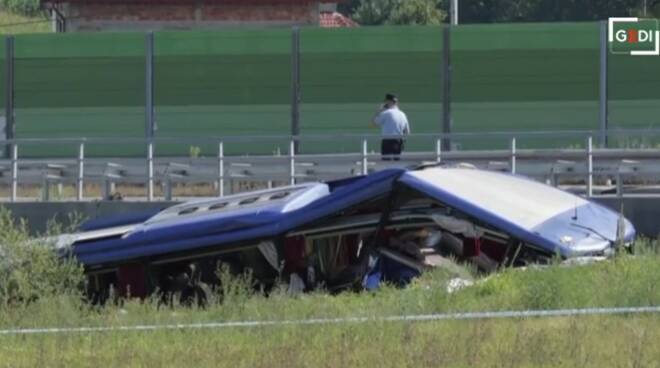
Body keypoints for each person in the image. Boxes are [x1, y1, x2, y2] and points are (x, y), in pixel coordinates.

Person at [371, 93, 410, 160]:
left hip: (387, 141)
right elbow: (407, 131)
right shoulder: (403, 114)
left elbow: (374, 122)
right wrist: (403, 141)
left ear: (389, 102)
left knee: (386, 163)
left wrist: (379, 111)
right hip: (398, 141)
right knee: (396, 162)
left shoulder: (386, 113)